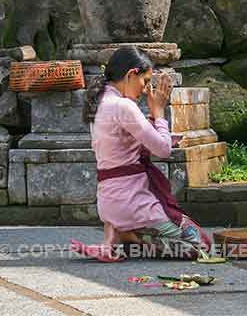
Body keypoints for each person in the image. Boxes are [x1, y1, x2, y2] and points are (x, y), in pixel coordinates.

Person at [71, 47, 212, 262]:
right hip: (133, 202)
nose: (146, 89)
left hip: (110, 204)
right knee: (202, 244)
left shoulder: (100, 103)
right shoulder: (123, 106)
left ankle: (115, 238)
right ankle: (133, 237)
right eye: (145, 81)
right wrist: (158, 113)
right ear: (130, 75)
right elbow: (163, 150)